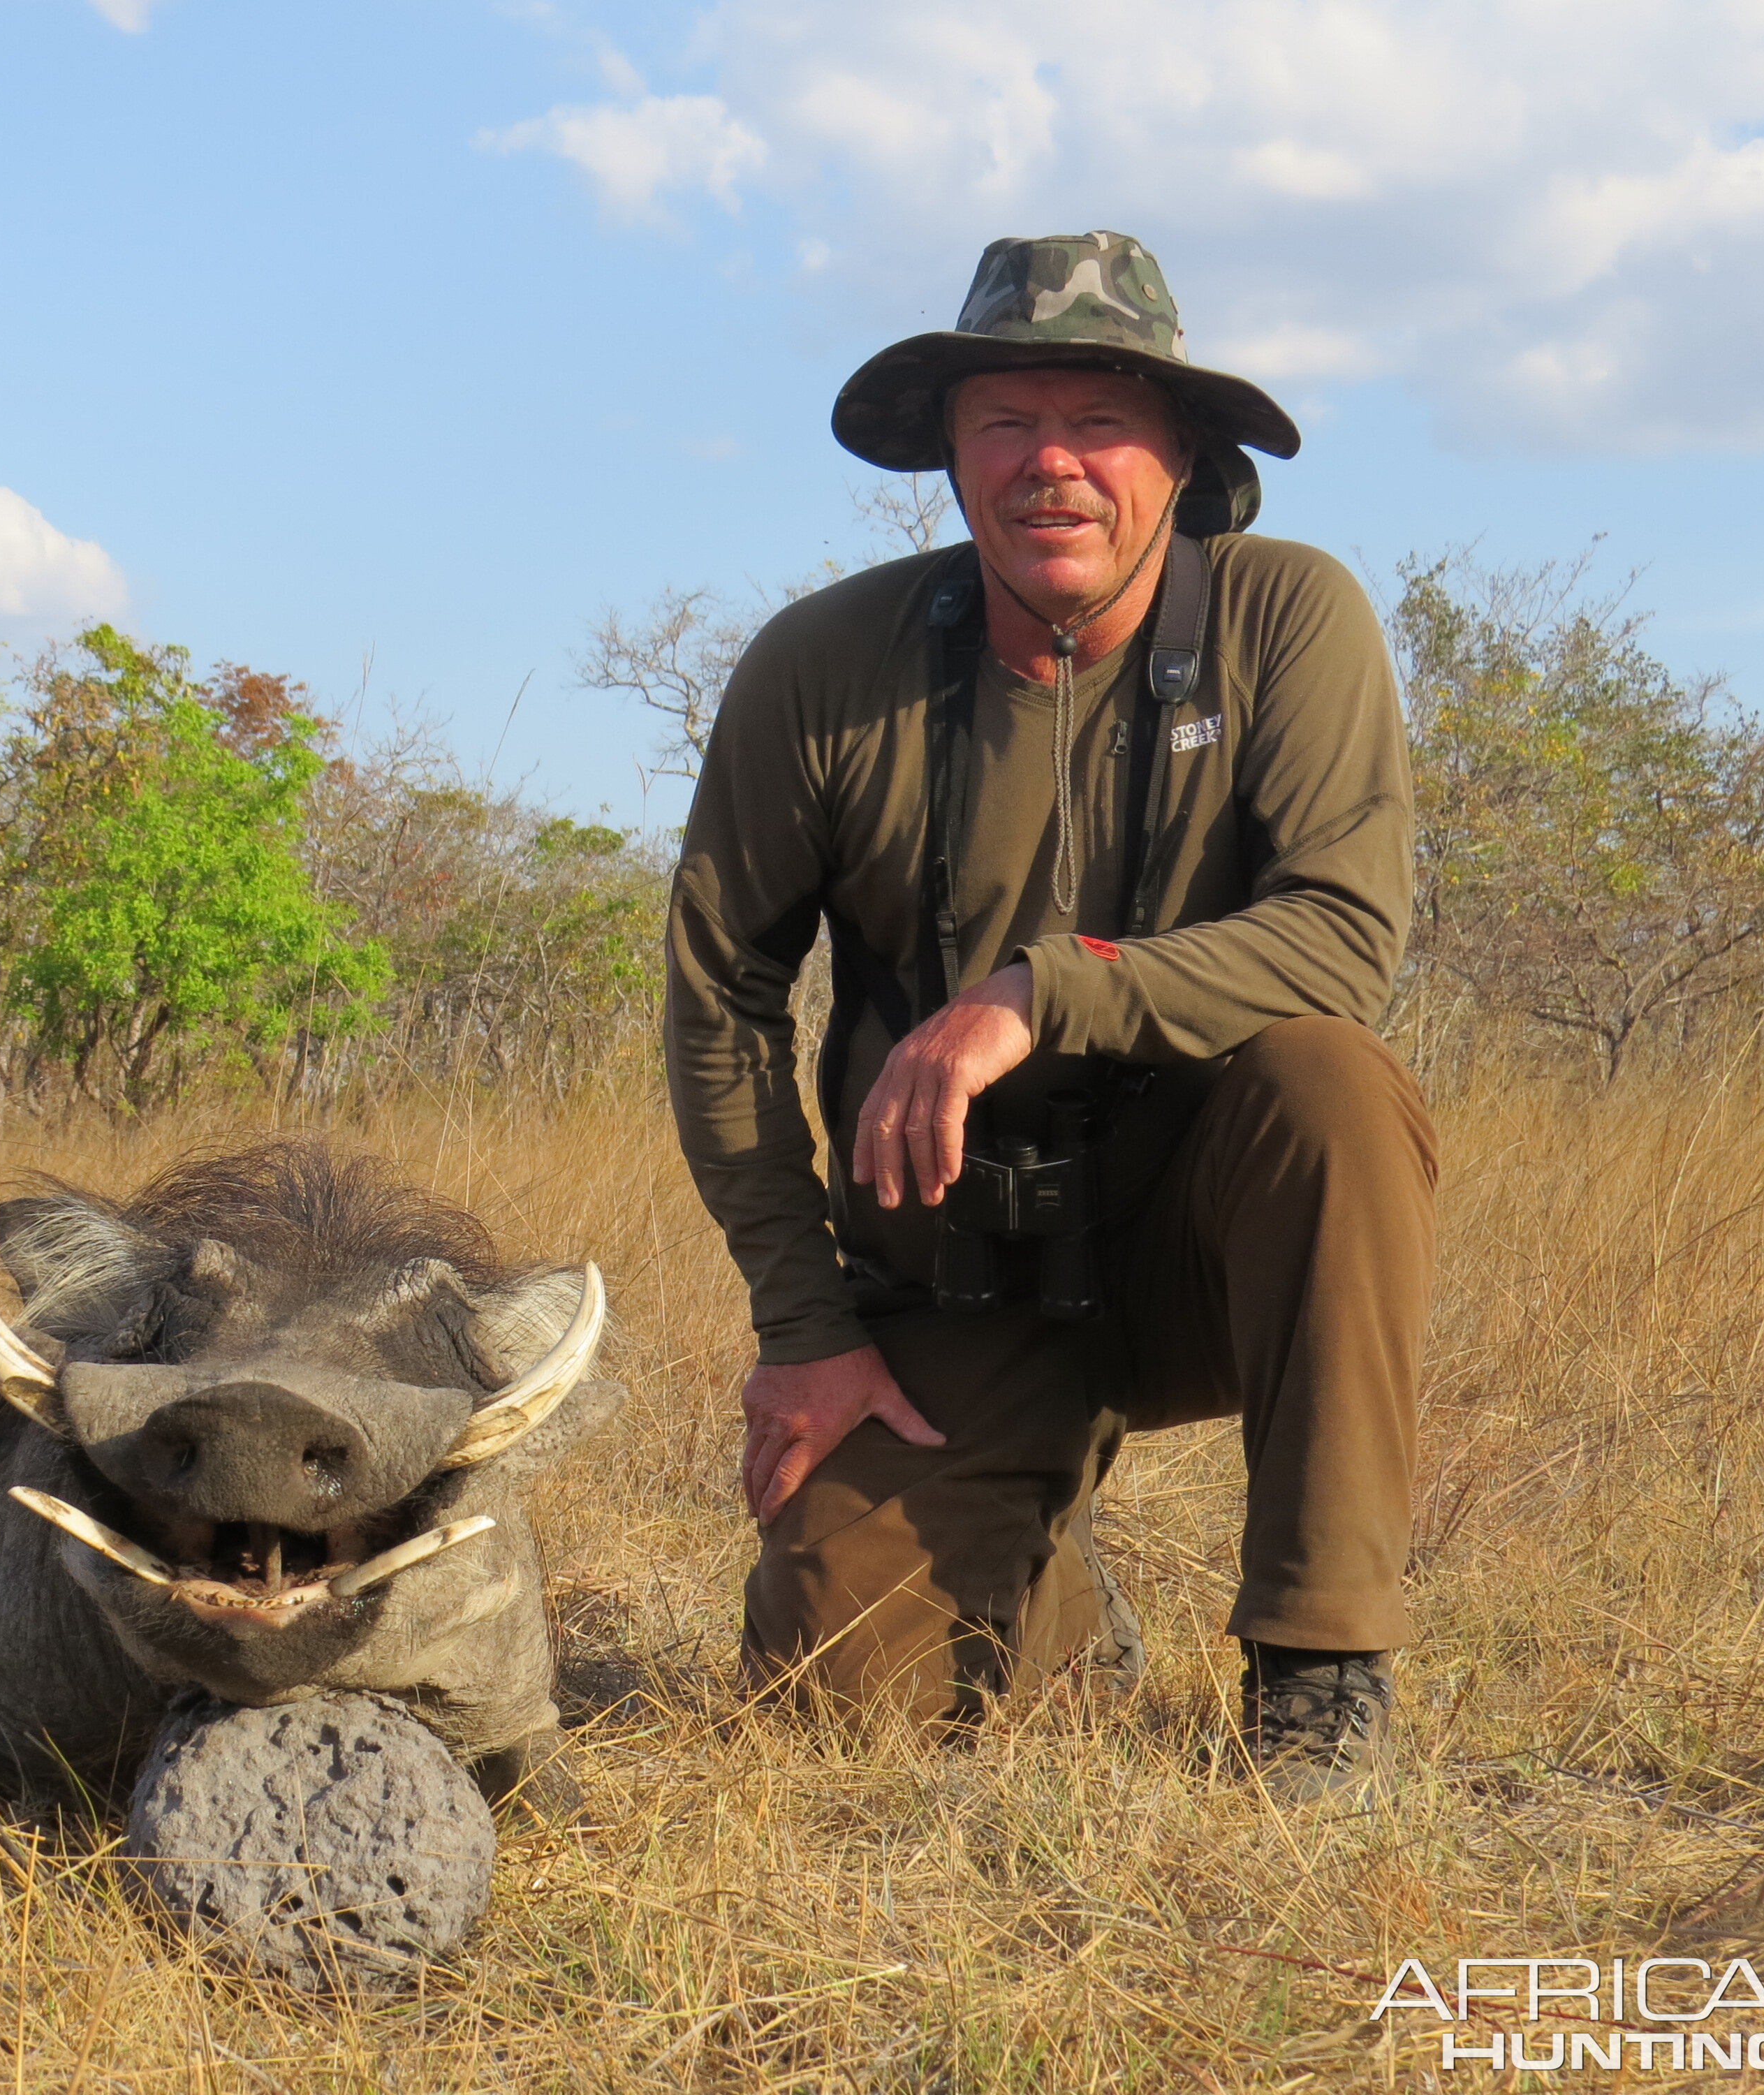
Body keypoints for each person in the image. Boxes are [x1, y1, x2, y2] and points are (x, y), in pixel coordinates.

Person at [664, 229, 1436, 1800]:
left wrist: (1032, 993)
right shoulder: (820, 667)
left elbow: (1343, 935)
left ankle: (1317, 1670)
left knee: (1334, 1087)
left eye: (1096, 422)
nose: (1049, 466)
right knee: (835, 1695)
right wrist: (802, 1329)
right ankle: (1059, 1591)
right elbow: (718, 992)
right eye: (1001, 424)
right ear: (947, 460)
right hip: (949, 1273)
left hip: (1197, 1249)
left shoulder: (1288, 617)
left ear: (1181, 455)